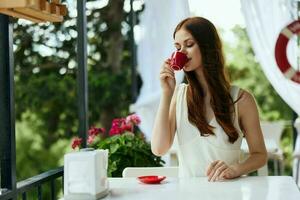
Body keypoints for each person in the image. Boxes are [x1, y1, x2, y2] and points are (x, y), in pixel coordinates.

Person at [151, 17, 267, 181]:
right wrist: (166, 93)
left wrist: (236, 169)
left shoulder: (242, 100)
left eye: (189, 44)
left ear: (208, 46)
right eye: (177, 47)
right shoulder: (178, 95)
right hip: (188, 195)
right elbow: (158, 148)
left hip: (229, 193)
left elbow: (260, 155)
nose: (181, 52)